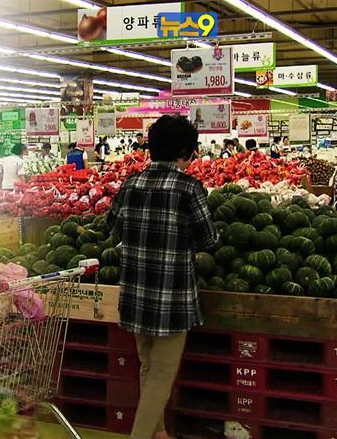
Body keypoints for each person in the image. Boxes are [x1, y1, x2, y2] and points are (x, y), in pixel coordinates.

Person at [107, 114, 218, 439]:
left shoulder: (131, 184)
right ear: (184, 151)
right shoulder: (189, 188)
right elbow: (209, 240)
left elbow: (111, 230)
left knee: (148, 367)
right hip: (171, 300)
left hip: (135, 296)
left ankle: (159, 433)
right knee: (162, 374)